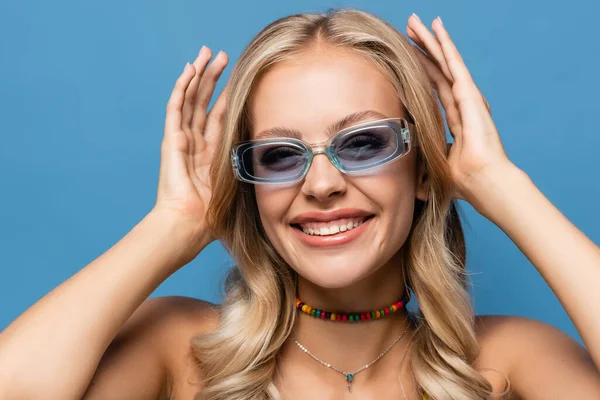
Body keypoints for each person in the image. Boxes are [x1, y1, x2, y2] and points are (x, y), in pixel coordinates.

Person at [1, 8, 599, 400]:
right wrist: (174, 225)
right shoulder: (179, 349)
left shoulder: (507, 361)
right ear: (249, 182)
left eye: (363, 143)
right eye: (280, 155)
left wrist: (499, 183)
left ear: (423, 168)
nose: (320, 185)